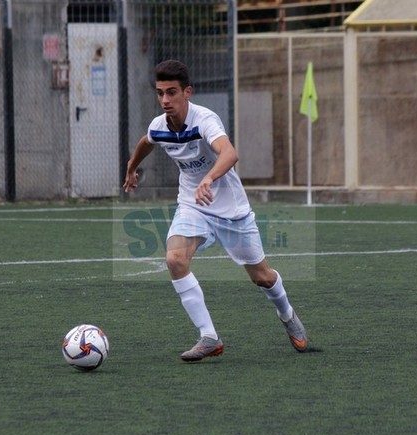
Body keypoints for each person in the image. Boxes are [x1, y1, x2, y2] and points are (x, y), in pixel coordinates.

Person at [123, 60, 309, 361]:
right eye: (160, 94)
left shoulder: (204, 120)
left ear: (188, 92)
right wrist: (132, 166)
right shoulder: (160, 125)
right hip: (193, 205)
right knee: (175, 259)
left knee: (262, 277)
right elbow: (148, 141)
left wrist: (209, 178)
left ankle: (287, 315)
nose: (165, 100)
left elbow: (230, 153)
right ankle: (209, 337)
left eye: (172, 92)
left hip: (231, 210)